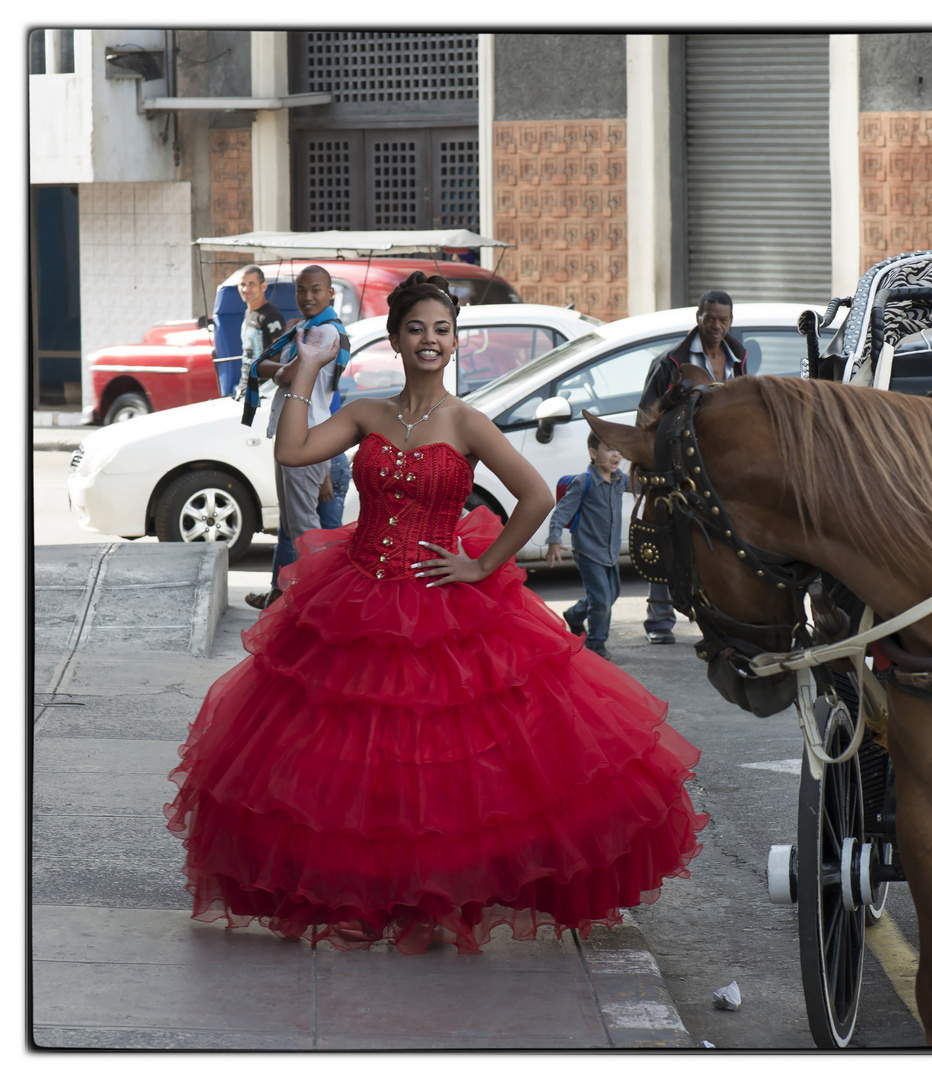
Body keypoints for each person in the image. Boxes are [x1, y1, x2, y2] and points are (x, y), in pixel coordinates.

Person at [165, 271, 706, 955]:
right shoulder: (366, 412)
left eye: (442, 330)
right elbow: (292, 450)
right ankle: (357, 898)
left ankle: (433, 901)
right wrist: (304, 368)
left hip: (440, 606)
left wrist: (481, 565)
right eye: (416, 328)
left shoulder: (469, 422)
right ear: (394, 339)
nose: (430, 339)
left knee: (439, 775)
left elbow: (536, 497)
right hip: (355, 597)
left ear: (453, 344)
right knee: (354, 770)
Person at [635, 290, 748, 644]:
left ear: (731, 321)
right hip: (677, 460)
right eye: (710, 318)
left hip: (721, 462)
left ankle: (714, 616)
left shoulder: (737, 357)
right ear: (698, 317)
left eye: (723, 320)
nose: (716, 326)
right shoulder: (671, 362)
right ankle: (659, 621)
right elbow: (646, 415)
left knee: (717, 539)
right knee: (668, 532)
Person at [242, 266, 349, 610]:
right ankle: (291, 599)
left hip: (307, 437)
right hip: (294, 436)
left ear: (331, 294)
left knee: (306, 531)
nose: (307, 297)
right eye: (302, 291)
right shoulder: (305, 329)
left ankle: (321, 603)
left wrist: (275, 370)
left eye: (316, 290)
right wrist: (275, 369)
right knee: (291, 528)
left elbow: (285, 375)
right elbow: (265, 369)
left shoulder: (324, 334)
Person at [545, 432, 627, 661]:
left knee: (611, 595)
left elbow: (643, 482)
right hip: (588, 551)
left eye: (618, 449)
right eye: (610, 449)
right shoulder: (584, 481)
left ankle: (574, 614)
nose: (616, 454)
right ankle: (596, 643)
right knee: (601, 599)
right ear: (593, 453)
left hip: (610, 551)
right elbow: (561, 512)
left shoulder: (620, 479)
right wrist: (554, 539)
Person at [232, 265, 285, 399]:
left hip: (263, 391)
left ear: (263, 287)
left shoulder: (271, 315)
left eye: (251, 284)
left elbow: (282, 354)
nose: (246, 289)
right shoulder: (249, 313)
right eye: (242, 284)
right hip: (245, 386)